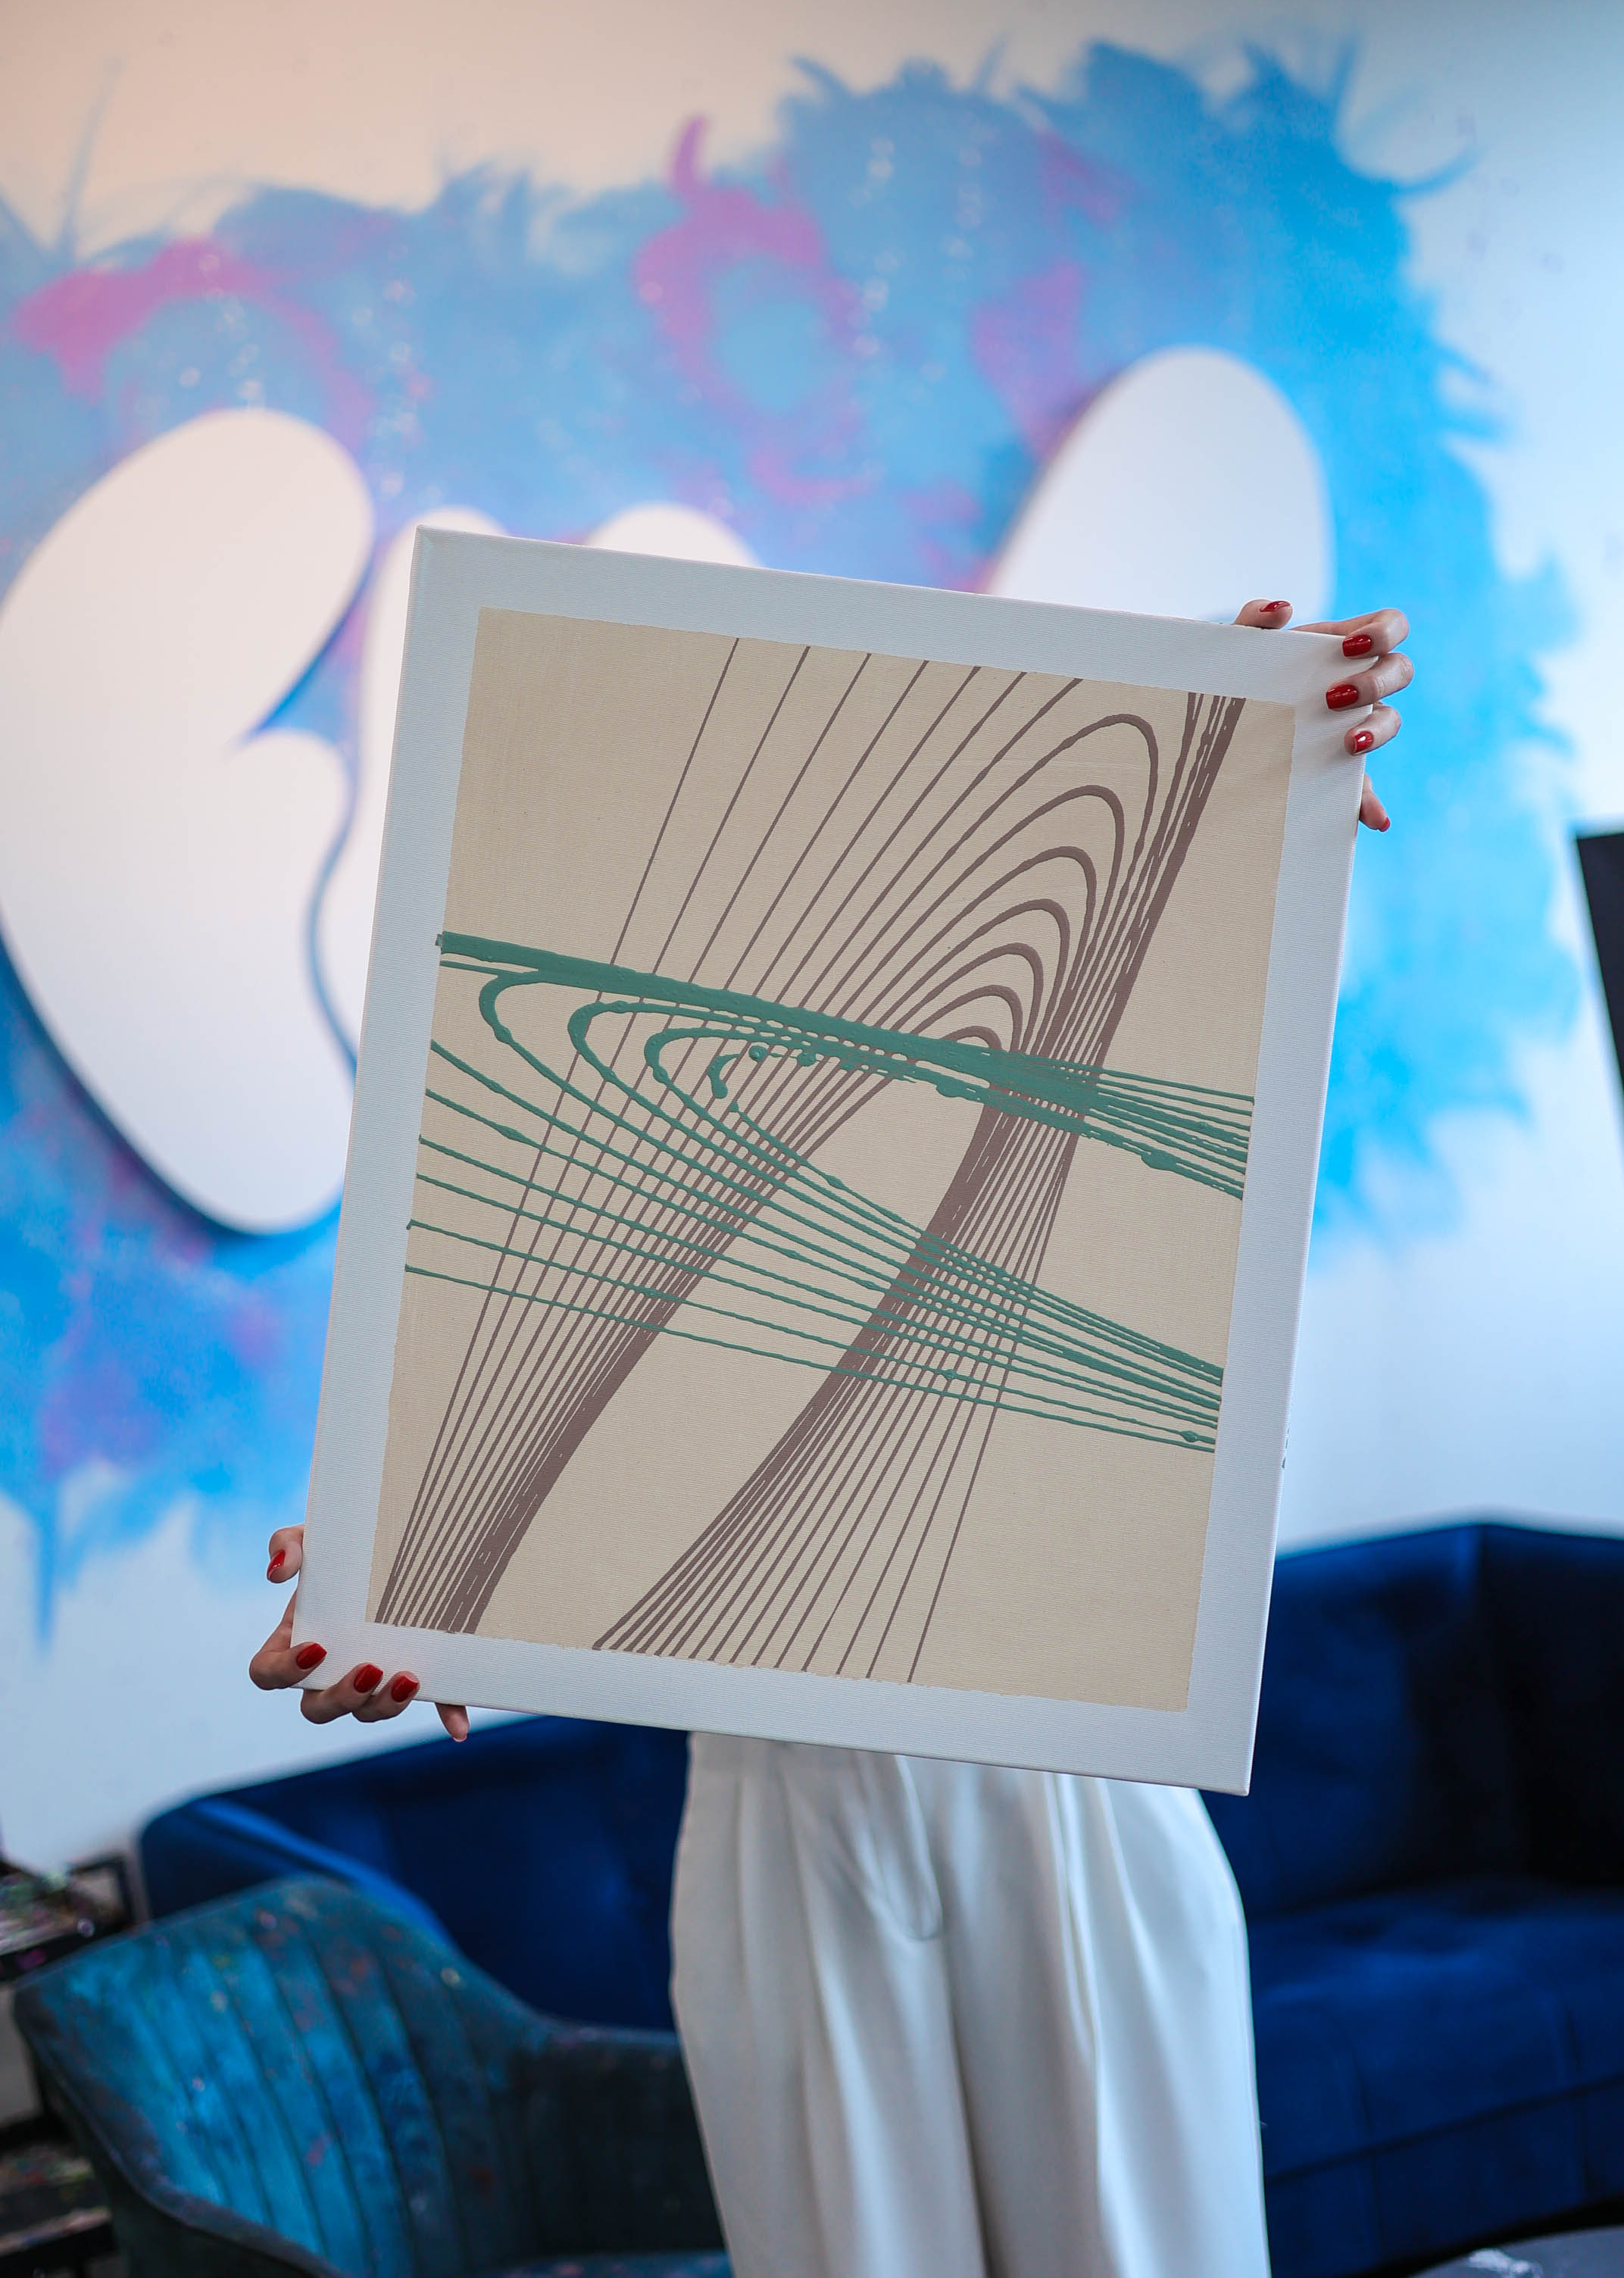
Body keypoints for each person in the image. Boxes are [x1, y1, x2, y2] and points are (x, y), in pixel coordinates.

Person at [251, 596, 1411, 2278]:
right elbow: (522, 1486)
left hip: (1082, 1799)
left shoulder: (1060, 1104)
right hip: (779, 1839)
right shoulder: (581, 1187)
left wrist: (1250, 766)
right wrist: (390, 1587)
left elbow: (1187, 1352)